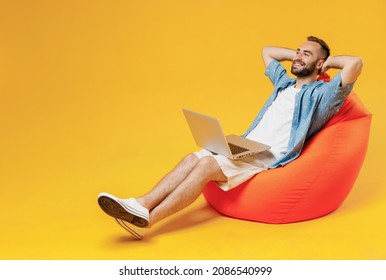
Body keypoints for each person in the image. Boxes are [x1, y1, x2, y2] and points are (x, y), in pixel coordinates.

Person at [97, 36, 363, 240]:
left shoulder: (322, 95)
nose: (298, 56)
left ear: (319, 63)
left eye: (306, 54)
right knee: (193, 157)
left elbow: (355, 64)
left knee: (206, 166)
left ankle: (149, 220)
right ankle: (140, 204)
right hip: (245, 144)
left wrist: (325, 62)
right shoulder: (283, 84)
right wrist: (298, 55)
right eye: (297, 51)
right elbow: (267, 51)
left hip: (268, 154)